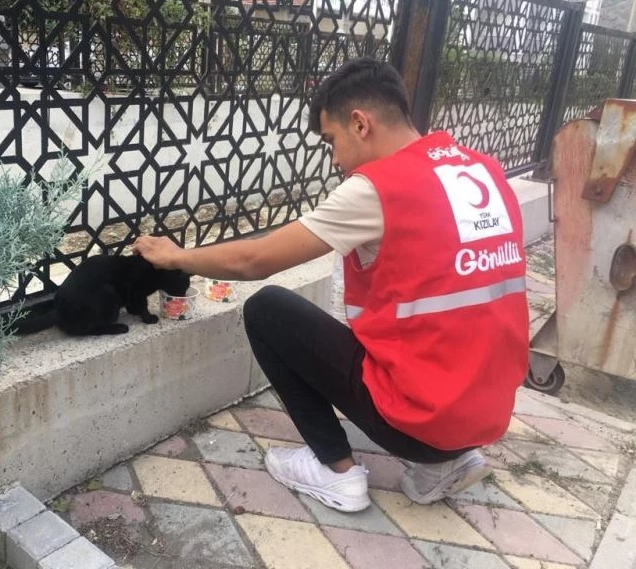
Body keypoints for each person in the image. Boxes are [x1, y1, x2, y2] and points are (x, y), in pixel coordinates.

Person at [132, 57, 529, 512]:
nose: (336, 160)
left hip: (421, 423)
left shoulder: (380, 189)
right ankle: (447, 463)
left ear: (360, 123)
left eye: (331, 141)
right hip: (486, 415)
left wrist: (176, 256)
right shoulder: (484, 171)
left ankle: (336, 471)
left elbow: (254, 260)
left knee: (268, 310)